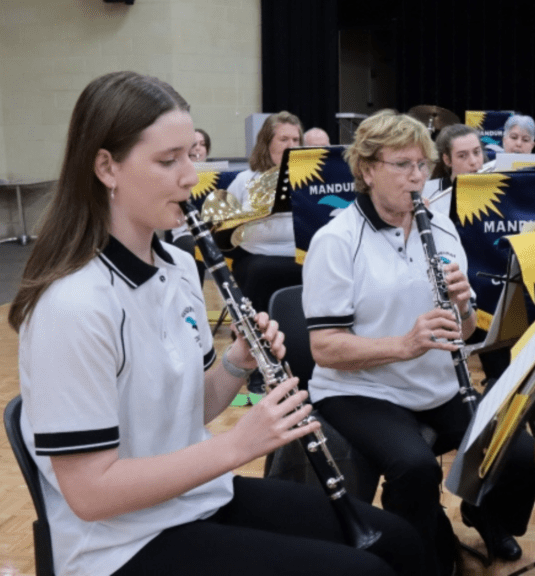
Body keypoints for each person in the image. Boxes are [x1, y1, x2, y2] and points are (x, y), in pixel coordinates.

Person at [7, 71, 423, 576]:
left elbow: (189, 408)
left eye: (192, 155)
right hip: (119, 545)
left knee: (399, 542)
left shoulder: (179, 266)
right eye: (168, 160)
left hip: (195, 499)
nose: (191, 176)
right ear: (106, 167)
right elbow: (91, 493)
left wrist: (235, 362)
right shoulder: (71, 305)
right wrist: (237, 445)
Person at [302, 109, 535, 576]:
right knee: (414, 469)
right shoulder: (336, 240)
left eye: (423, 166)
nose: (417, 178)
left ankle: (483, 514)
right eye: (403, 165)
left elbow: (466, 330)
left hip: (434, 385)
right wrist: (404, 345)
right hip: (360, 389)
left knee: (516, 452)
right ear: (368, 170)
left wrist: (464, 308)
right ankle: (419, 555)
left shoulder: (442, 228)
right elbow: (324, 348)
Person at [225, 112, 304, 318]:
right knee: (261, 270)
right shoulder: (245, 180)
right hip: (255, 255)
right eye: (284, 139)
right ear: (267, 143)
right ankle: (254, 337)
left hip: (301, 256)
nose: (291, 145)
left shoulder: (308, 182)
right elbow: (224, 228)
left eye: (296, 140)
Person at [425, 123, 485, 219]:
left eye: (477, 152)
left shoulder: (498, 189)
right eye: (462, 156)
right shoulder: (427, 193)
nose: (473, 161)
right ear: (447, 160)